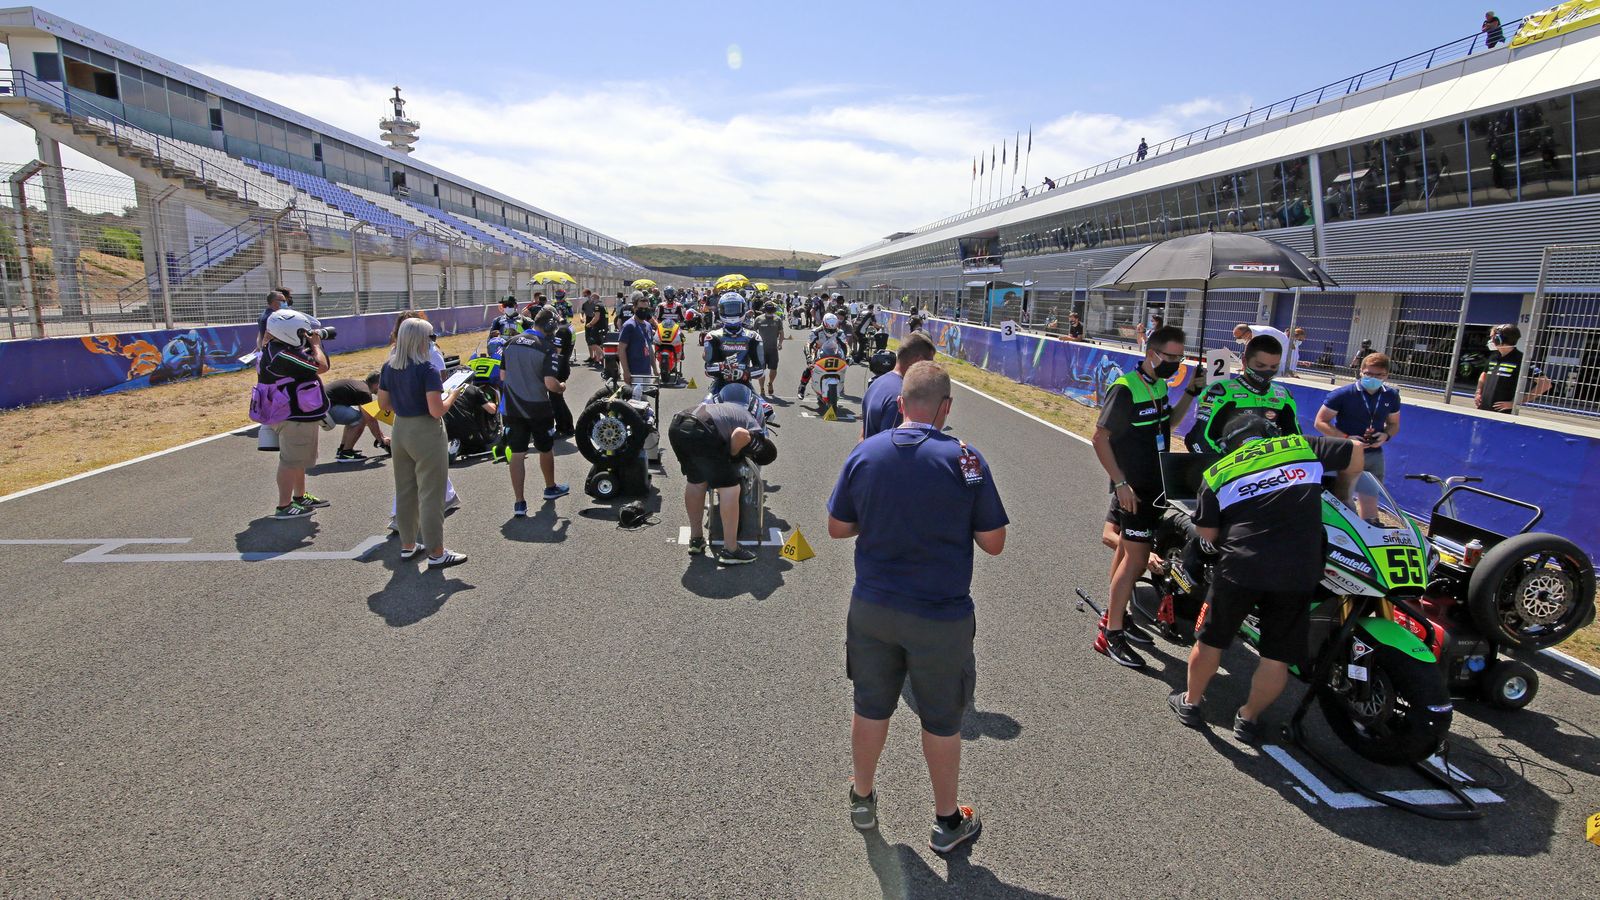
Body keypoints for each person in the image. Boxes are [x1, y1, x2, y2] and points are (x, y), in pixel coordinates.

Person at [826, 361, 1007, 853]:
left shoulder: (865, 453)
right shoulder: (966, 460)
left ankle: (862, 795)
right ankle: (947, 822)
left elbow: (837, 528)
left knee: (870, 705)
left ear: (900, 404)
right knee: (942, 720)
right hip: (940, 614)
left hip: (873, 606)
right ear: (945, 408)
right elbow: (994, 542)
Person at [1169, 417, 1360, 742]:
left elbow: (1208, 535)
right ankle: (1249, 718)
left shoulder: (1217, 472)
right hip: (1299, 568)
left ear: (1228, 444)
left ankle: (1191, 703)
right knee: (1276, 656)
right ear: (1271, 433)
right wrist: (1343, 492)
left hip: (1240, 567)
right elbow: (1355, 450)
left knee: (1210, 641)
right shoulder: (1300, 446)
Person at [1091, 325, 1202, 668]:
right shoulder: (1125, 388)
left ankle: (1114, 616)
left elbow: (1167, 426)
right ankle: (1111, 635)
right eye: (1170, 357)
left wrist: (1190, 393)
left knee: (1126, 552)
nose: (1176, 363)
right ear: (1151, 353)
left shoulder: (1158, 386)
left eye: (1180, 358)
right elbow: (1099, 438)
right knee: (1137, 561)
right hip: (1134, 489)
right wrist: (1121, 484)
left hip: (1156, 485)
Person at [377, 318, 467, 569]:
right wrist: (453, 395)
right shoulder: (426, 369)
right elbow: (437, 410)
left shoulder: (389, 367)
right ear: (421, 340)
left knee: (405, 490)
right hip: (426, 430)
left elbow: (383, 404)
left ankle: (408, 545)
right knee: (431, 493)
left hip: (401, 428)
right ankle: (436, 551)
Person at [667, 387, 775, 565]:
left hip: (678, 425)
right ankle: (731, 550)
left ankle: (696, 539)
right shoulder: (751, 420)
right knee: (730, 489)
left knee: (696, 482)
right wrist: (733, 457)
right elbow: (740, 435)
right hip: (703, 430)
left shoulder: (724, 408)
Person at [259, 308, 331, 519]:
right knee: (290, 461)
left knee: (298, 459)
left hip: (295, 412)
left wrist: (310, 344)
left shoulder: (276, 347)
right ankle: (284, 505)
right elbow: (322, 366)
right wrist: (316, 345)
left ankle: (299, 497)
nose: (305, 336)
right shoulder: (282, 354)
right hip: (292, 415)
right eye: (302, 333)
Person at [500, 308, 570, 516]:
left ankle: (519, 503)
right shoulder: (547, 347)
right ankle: (550, 487)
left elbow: (503, 375)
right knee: (545, 448)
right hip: (538, 407)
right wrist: (562, 386)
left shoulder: (511, 342)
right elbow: (550, 383)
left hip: (512, 407)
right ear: (550, 327)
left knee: (518, 454)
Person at [1186, 334, 1300, 454]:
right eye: (1260, 365)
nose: (1267, 371)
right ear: (1245, 361)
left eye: (1274, 367)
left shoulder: (1283, 396)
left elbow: (1295, 440)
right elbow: (1197, 440)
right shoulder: (1222, 392)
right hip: (1228, 467)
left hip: (1270, 469)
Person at [1316, 352, 1401, 484]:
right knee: (1339, 498)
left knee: (1372, 498)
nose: (1373, 378)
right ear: (1361, 372)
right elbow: (1320, 422)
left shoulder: (1391, 395)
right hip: (1344, 452)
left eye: (1379, 375)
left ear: (1386, 375)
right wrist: (1346, 438)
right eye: (1369, 374)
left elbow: (1394, 424)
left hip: (1374, 454)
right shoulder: (1342, 394)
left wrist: (1385, 435)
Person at [861, 331, 936, 441]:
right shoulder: (901, 396)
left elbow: (863, 435)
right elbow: (893, 447)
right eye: (929, 363)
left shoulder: (876, 383)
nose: (930, 368)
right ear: (918, 360)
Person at [1476, 323, 1551, 413]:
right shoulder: (1493, 356)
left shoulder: (1522, 360)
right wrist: (1478, 392)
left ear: (1499, 339)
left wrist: (1516, 403)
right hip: (1482, 409)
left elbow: (1545, 384)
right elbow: (1484, 374)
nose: (1490, 340)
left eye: (1492, 337)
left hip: (1504, 414)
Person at [703, 293, 766, 394]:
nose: (732, 312)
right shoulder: (712, 336)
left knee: (767, 409)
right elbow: (708, 368)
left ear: (743, 309)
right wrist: (723, 366)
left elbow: (761, 369)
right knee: (703, 407)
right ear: (721, 310)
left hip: (745, 386)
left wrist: (745, 373)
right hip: (719, 386)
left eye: (735, 309)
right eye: (728, 309)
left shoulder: (753, 336)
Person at [327, 372, 388, 462]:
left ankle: (343, 449)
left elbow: (369, 418)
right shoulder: (364, 392)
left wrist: (381, 437)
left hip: (321, 406)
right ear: (378, 384)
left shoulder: (360, 387)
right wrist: (382, 442)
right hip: (325, 408)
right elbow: (370, 420)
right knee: (361, 418)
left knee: (355, 419)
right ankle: (346, 453)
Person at [797, 313, 851, 400]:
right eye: (829, 329)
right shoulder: (816, 331)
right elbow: (807, 344)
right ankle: (802, 386)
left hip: (835, 353)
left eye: (833, 329)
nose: (831, 332)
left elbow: (845, 345)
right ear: (824, 324)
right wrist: (808, 357)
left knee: (842, 368)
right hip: (818, 352)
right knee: (810, 367)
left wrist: (848, 356)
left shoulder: (839, 332)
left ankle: (839, 384)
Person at [617, 294, 658, 387]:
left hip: (646, 372)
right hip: (634, 373)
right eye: (640, 308)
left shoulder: (648, 325)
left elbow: (649, 349)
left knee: (644, 399)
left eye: (646, 309)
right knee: (635, 400)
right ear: (634, 308)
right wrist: (626, 372)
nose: (643, 311)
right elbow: (621, 349)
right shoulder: (629, 325)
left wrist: (655, 369)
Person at [548, 307, 576, 437]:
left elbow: (556, 351)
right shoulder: (569, 326)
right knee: (558, 398)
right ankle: (568, 425)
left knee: (555, 399)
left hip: (559, 366)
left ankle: (563, 427)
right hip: (564, 363)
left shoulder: (561, 330)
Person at [752, 301, 785, 398]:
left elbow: (781, 333)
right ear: (765, 310)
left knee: (773, 369)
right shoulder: (758, 319)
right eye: (768, 309)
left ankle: (770, 383)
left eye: (771, 310)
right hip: (761, 350)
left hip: (773, 349)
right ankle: (762, 388)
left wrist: (780, 343)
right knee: (761, 370)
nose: (770, 311)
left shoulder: (777, 319)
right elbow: (753, 333)